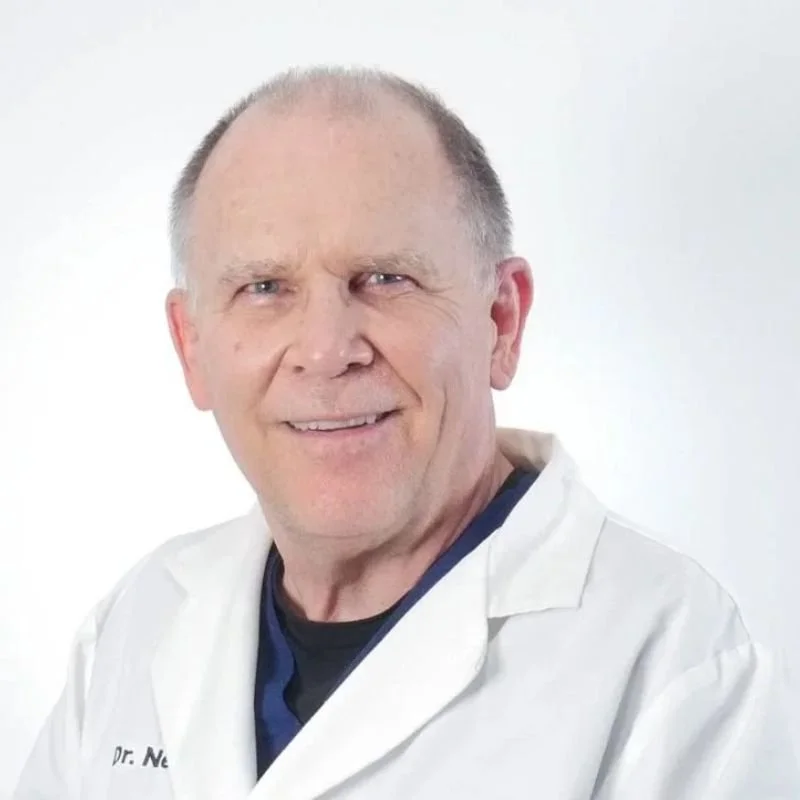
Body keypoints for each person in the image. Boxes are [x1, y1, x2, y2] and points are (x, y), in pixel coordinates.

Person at [14, 66, 799, 799]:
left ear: (501, 319)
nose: (326, 349)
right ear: (192, 346)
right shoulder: (139, 621)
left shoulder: (674, 660)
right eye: (263, 287)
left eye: (385, 279)